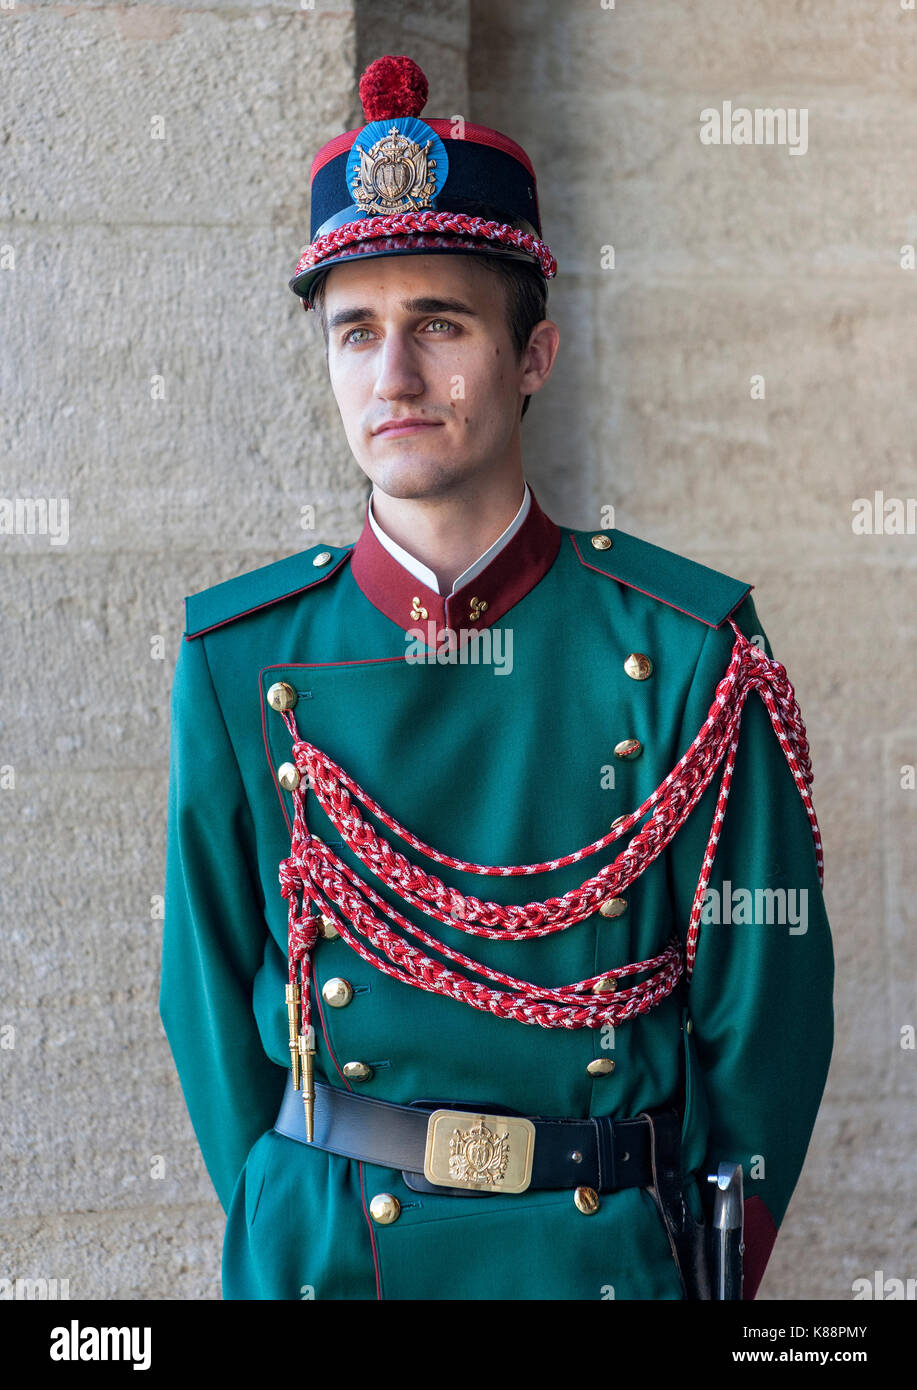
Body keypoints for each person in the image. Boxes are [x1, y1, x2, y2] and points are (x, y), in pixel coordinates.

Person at [159, 55, 834, 1301]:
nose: (393, 376)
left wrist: (703, 1268)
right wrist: (280, 1209)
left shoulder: (690, 650)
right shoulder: (238, 658)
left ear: (535, 355)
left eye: (441, 324)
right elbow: (204, 1006)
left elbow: (764, 1024)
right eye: (354, 330)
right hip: (327, 1253)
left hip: (597, 1259)